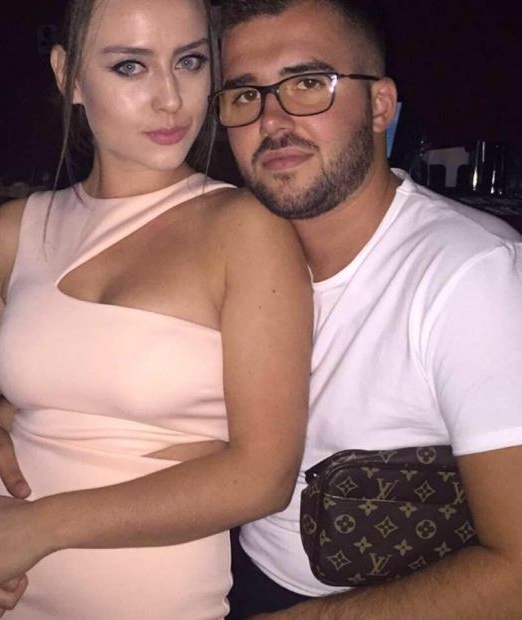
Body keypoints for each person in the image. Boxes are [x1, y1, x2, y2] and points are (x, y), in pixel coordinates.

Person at [0, 0, 313, 618]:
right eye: (130, 66)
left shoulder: (245, 229)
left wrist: (39, 527)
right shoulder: (10, 232)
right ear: (68, 75)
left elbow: (264, 477)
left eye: (190, 62)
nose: (171, 99)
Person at [214, 0, 522, 618]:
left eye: (308, 84)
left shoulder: (472, 276)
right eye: (245, 94)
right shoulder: (225, 248)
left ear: (380, 105)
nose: (272, 120)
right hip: (220, 569)